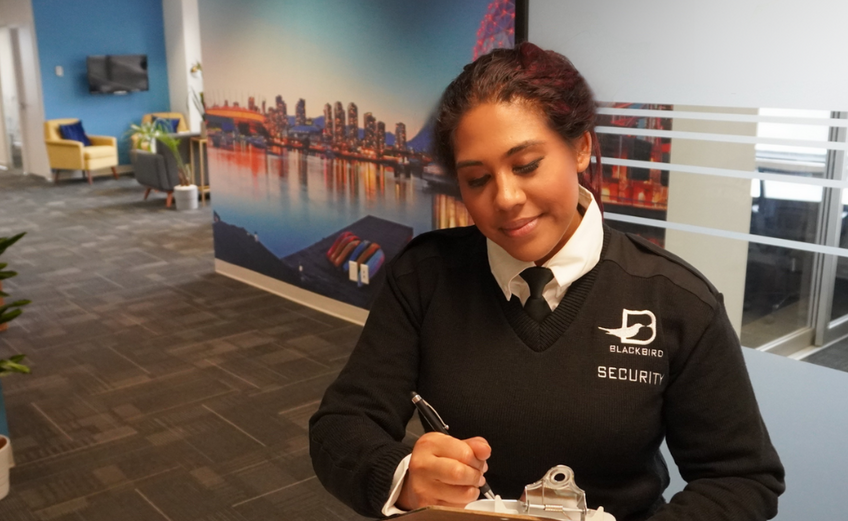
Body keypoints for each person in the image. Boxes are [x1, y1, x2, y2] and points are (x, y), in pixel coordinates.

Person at [309, 43, 784, 521]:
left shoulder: (676, 301)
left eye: (526, 165)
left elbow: (740, 478)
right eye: (477, 179)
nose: (507, 198)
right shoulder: (424, 277)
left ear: (581, 147)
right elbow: (342, 426)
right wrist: (403, 477)